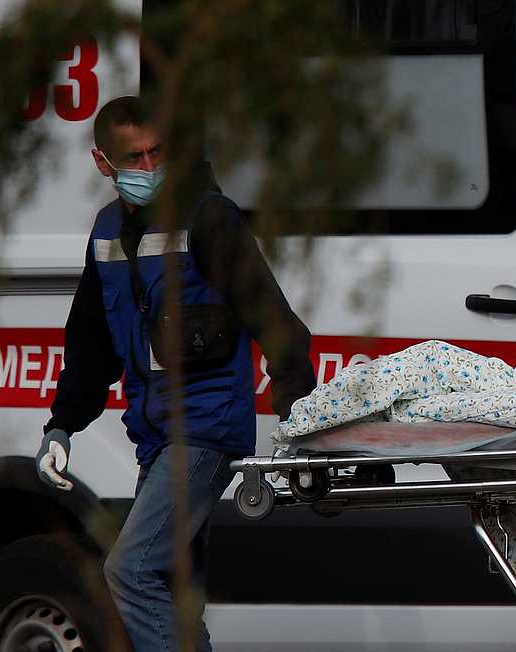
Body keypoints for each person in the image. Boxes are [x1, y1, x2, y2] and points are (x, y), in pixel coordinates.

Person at [34, 96, 317, 652]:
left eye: (156, 152)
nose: (147, 169)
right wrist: (61, 425)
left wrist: (298, 418)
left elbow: (275, 320)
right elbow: (90, 346)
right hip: (156, 439)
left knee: (131, 573)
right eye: (132, 158)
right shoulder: (107, 231)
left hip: (206, 429)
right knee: (169, 590)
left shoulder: (209, 218)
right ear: (102, 164)